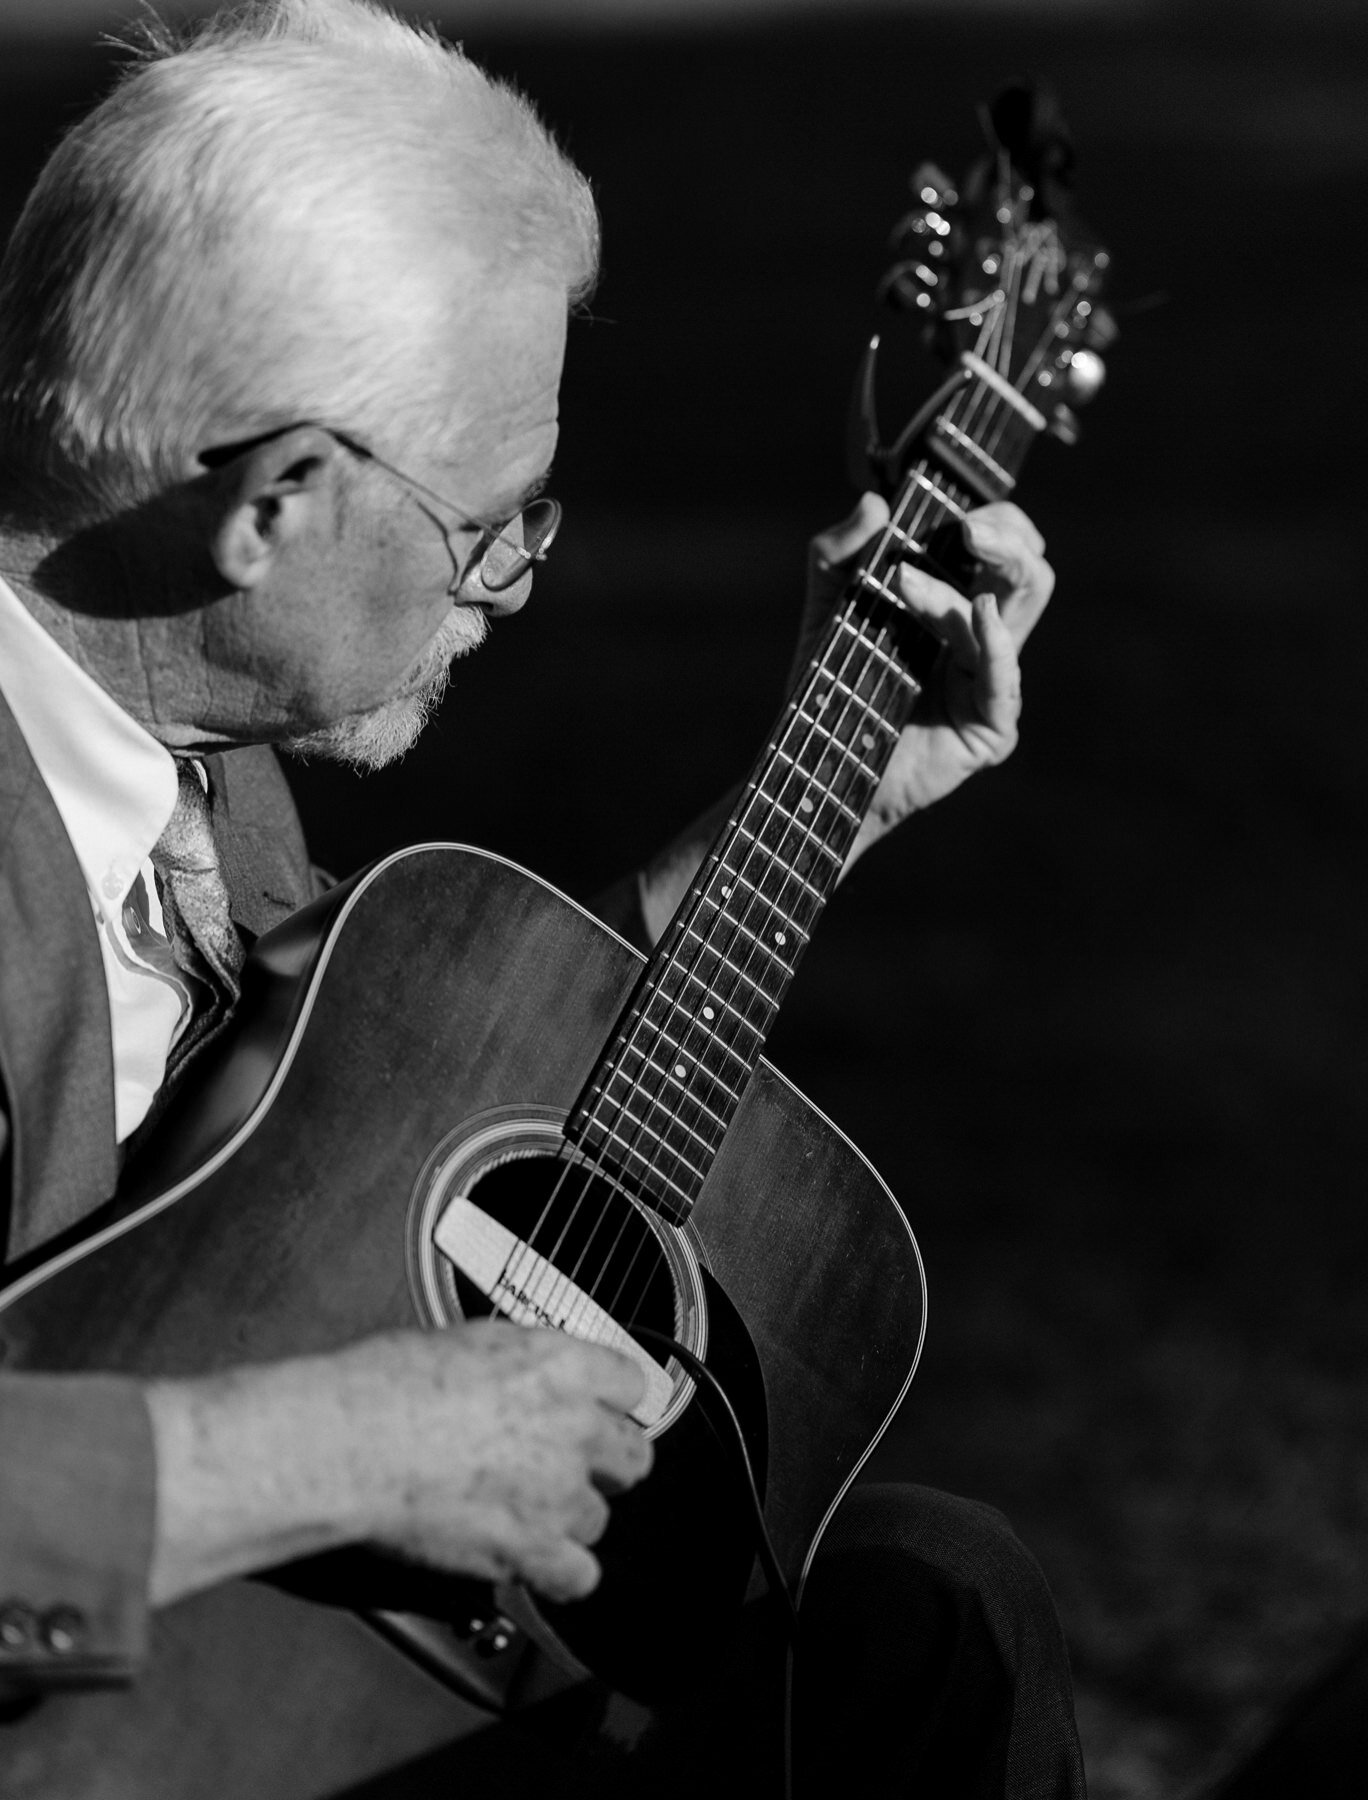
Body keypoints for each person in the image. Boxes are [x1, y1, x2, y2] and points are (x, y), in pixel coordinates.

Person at [0, 2, 1084, 1794]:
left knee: (932, 1606)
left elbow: (391, 1096)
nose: (507, 586)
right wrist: (331, 1452)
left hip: (328, 1655)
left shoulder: (201, 753)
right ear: (273, 502)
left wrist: (819, 791)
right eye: (488, 522)